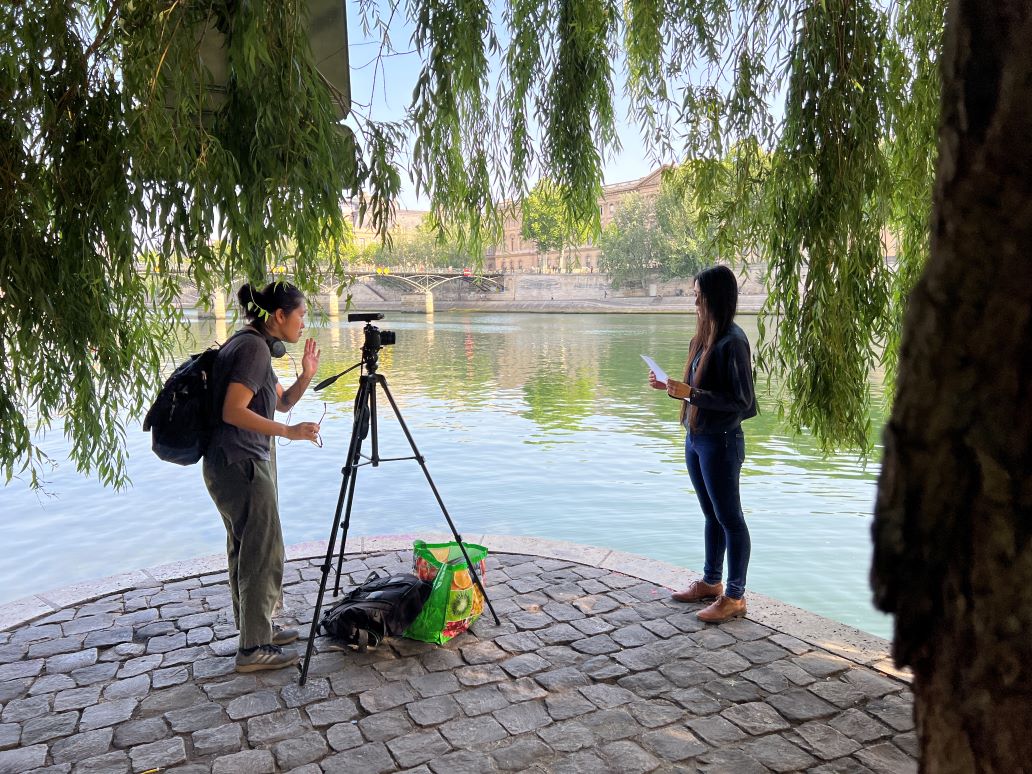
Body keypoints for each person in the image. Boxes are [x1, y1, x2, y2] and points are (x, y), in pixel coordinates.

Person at [203, 281, 322, 672]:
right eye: (300, 315)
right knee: (261, 551)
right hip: (242, 464)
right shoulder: (253, 349)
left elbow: (281, 402)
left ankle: (257, 630)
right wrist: (289, 433)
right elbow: (233, 411)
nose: (304, 323)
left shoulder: (249, 343)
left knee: (247, 548)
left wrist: (306, 375)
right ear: (279, 316)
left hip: (231, 463)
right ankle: (253, 649)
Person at [649, 265, 757, 623]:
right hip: (696, 439)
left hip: (721, 442)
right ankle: (711, 582)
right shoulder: (704, 338)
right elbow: (698, 394)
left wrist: (691, 393)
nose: (694, 300)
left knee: (731, 518)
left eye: (700, 295)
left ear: (716, 298)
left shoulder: (733, 341)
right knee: (711, 514)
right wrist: (674, 389)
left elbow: (741, 401)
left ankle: (736, 597)